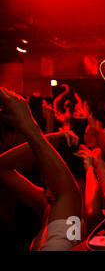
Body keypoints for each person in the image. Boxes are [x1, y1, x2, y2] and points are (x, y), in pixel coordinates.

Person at [0, 87, 82, 251]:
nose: (48, 194)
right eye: (46, 185)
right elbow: (1, 166)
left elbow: (70, 192)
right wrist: (52, 137)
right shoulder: (47, 205)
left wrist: (33, 130)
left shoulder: (75, 216)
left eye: (54, 186)